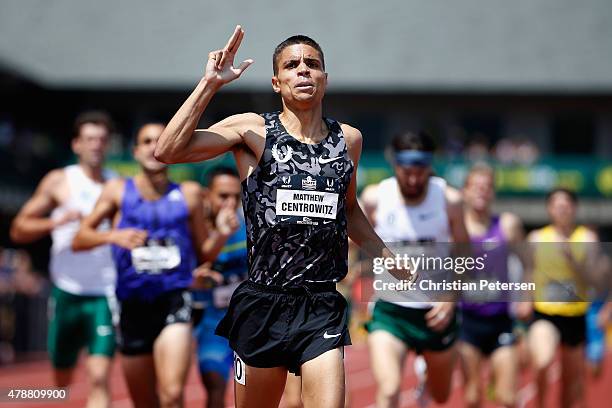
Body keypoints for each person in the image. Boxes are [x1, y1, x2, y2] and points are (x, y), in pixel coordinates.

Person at [154, 26, 406, 408]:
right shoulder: (252, 130)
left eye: (312, 64)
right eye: (292, 65)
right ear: (277, 81)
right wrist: (209, 84)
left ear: (325, 78)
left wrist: (385, 255)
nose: (303, 70)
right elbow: (168, 151)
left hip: (321, 303)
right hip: (263, 302)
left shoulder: (348, 140)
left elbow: (349, 210)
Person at [72, 122, 207, 408]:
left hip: (174, 299)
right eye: (146, 141)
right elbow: (80, 238)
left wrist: (216, 240)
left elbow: (203, 250)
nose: (153, 147)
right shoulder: (117, 191)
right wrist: (113, 235)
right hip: (132, 304)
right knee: (145, 402)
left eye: (160, 140)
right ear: (135, 151)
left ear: (172, 147)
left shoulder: (190, 194)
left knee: (172, 395)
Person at [10, 111, 117, 408]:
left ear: (108, 145)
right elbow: (18, 229)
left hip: (105, 293)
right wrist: (55, 223)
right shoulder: (59, 181)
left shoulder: (117, 184)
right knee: (62, 378)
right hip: (67, 291)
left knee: (99, 376)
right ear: (76, 145)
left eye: (102, 140)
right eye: (90, 139)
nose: (96, 145)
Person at [363, 131, 470, 407]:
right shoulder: (376, 197)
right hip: (390, 311)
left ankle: (426, 377)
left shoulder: (449, 199)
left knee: (441, 395)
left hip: (436, 314)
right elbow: (356, 242)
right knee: (389, 389)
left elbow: (465, 252)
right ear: (395, 165)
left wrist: (451, 297)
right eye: (406, 172)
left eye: (420, 172)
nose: (413, 180)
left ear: (430, 166)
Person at [525, 188, 598, 408]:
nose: (562, 210)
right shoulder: (536, 238)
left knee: (570, 381)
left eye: (566, 206)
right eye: (557, 206)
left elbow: (594, 279)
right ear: (549, 209)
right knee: (543, 361)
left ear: (574, 208)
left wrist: (573, 262)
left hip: (575, 315)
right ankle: (539, 403)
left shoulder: (587, 238)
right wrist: (524, 299)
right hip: (545, 313)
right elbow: (529, 271)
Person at [459, 163, 525, 407]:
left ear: (493, 193)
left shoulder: (508, 225)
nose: (481, 192)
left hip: (501, 321)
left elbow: (529, 262)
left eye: (486, 188)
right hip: (467, 322)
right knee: (473, 397)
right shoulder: (456, 228)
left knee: (507, 397)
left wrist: (526, 297)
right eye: (476, 187)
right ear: (465, 192)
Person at [192, 166, 247, 408]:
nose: (230, 203)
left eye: (236, 197)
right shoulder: (195, 231)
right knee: (215, 386)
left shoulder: (249, 229)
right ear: (206, 196)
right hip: (209, 327)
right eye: (223, 196)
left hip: (247, 326)